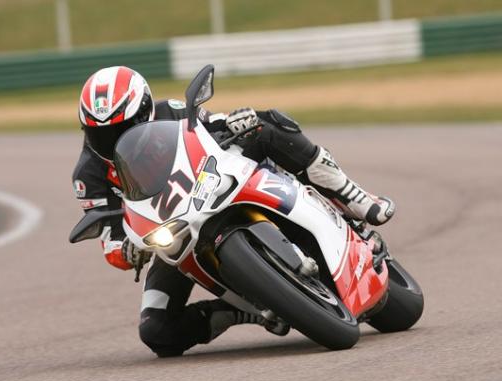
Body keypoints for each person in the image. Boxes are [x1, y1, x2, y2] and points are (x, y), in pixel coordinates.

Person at [72, 66, 395, 357]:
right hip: (174, 237)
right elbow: (109, 239)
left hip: (216, 184)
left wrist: (231, 121)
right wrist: (127, 252)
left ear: (143, 112)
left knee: (267, 123)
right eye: (100, 133)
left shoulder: (169, 112)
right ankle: (238, 311)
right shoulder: (88, 176)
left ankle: (351, 194)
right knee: (155, 330)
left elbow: (209, 126)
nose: (112, 139)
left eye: (121, 127)